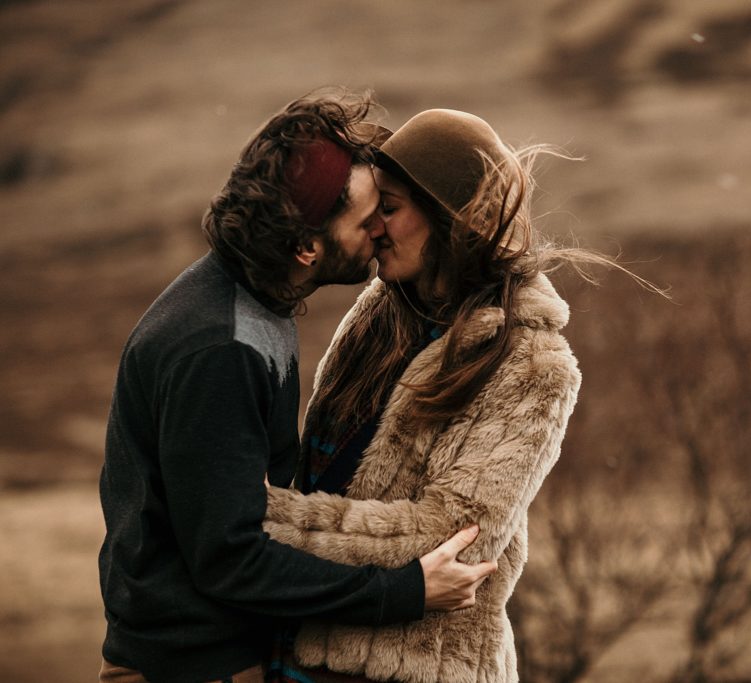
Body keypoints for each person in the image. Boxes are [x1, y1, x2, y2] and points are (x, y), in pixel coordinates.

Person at [97, 91, 496, 683]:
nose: (381, 232)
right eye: (367, 220)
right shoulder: (220, 351)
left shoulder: (250, 302)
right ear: (308, 248)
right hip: (191, 668)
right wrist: (404, 591)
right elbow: (231, 562)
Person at [262, 109, 586, 683]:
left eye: (390, 208)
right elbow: (322, 468)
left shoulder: (534, 362)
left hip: (421, 670)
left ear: (451, 220)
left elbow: (451, 538)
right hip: (307, 646)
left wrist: (261, 526)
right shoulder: (378, 313)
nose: (374, 226)